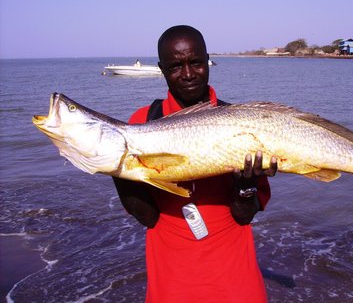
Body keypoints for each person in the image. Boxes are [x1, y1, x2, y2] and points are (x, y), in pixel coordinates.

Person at [113, 25, 277, 303]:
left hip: (236, 281)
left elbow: (244, 215)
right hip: (172, 283)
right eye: (176, 66)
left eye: (196, 63)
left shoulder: (239, 122)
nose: (188, 74)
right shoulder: (142, 122)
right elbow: (148, 217)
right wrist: (117, 164)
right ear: (162, 69)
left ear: (207, 60)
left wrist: (245, 186)